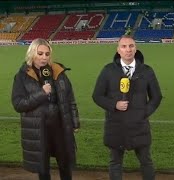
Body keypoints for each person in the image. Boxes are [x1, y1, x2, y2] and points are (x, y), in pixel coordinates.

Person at [92, 35, 162, 180]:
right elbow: (97, 96)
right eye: (124, 46)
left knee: (146, 161)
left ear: (135, 49)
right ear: (118, 50)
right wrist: (114, 105)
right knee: (115, 163)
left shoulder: (147, 71)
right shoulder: (108, 70)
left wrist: (144, 113)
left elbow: (156, 97)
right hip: (116, 126)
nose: (128, 49)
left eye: (131, 46)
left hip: (139, 126)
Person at [11, 38, 80, 180]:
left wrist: (74, 121)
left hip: (60, 127)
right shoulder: (22, 76)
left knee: (65, 163)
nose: (44, 57)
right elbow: (18, 104)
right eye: (40, 53)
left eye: (47, 54)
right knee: (43, 167)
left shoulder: (58, 72)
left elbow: (70, 99)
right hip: (38, 129)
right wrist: (41, 94)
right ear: (32, 53)